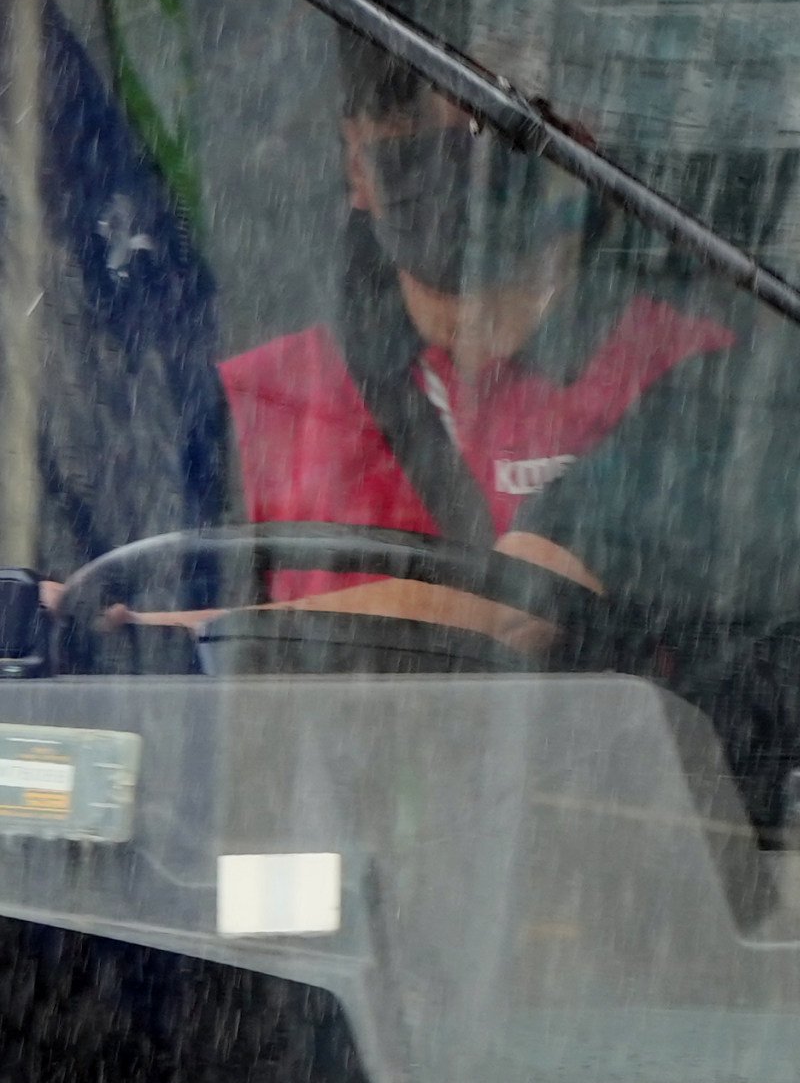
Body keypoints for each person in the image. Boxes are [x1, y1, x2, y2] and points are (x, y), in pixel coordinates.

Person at [198, 62, 727, 651]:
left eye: (491, 113)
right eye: (406, 106)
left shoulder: (686, 373)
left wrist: (217, 638)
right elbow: (168, 665)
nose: (448, 143)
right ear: (355, 161)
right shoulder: (259, 397)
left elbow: (515, 610)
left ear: (578, 145)